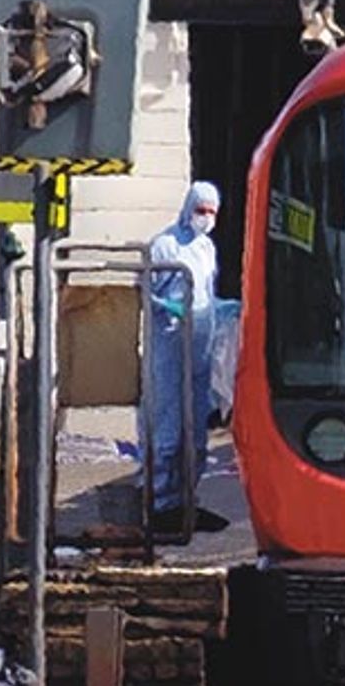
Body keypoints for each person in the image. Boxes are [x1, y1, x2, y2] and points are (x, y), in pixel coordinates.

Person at [148, 181, 230, 533]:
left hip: (201, 346)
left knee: (196, 429)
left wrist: (224, 313)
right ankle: (162, 503)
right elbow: (146, 291)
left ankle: (187, 501)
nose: (206, 218)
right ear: (188, 208)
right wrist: (169, 307)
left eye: (212, 212)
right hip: (170, 345)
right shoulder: (165, 244)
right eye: (201, 211)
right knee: (169, 425)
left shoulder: (207, 248)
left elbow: (206, 294)